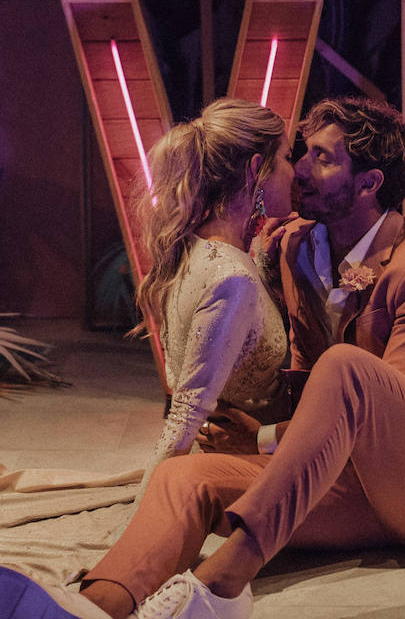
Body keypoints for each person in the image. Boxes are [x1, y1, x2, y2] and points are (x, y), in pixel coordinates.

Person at [0, 96, 405, 619]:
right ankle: (95, 609)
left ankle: (221, 588)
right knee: (183, 477)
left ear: (368, 183)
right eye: (301, 154)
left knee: (347, 368)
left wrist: (263, 439)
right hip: (344, 489)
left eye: (322, 158)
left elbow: (387, 411)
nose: (299, 170)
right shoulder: (294, 244)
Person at [123, 99, 295, 501]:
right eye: (286, 157)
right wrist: (140, 522)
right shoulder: (230, 276)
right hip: (248, 474)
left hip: (242, 450)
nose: (295, 171)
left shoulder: (198, 248)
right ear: (256, 169)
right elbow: (184, 415)